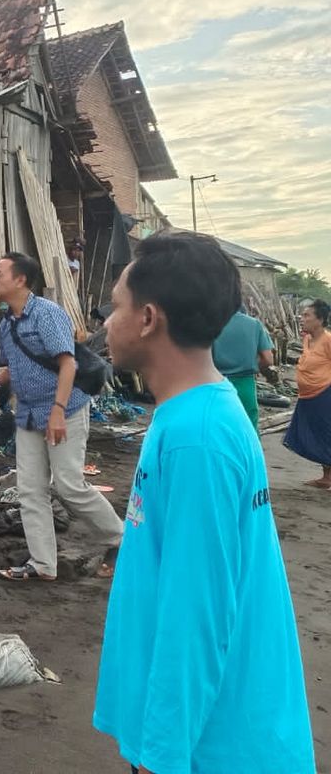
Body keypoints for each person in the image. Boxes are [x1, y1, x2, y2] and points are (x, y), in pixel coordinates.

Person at [93, 230, 314, 773]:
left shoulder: (198, 437)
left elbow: (198, 610)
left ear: (149, 318)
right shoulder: (191, 412)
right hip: (203, 730)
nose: (106, 323)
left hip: (213, 747)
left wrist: (162, 757)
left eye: (116, 307)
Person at [0, 252, 123, 582]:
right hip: (28, 414)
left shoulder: (47, 314)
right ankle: (43, 564)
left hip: (65, 409)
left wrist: (58, 412)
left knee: (69, 485)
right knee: (30, 490)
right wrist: (1, 378)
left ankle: (121, 538)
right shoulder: (6, 325)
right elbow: (18, 364)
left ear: (20, 280)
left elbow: (67, 363)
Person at [284, 299, 331, 489]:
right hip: (307, 396)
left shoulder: (328, 340)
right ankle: (327, 476)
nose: (301, 319)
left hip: (325, 394)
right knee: (317, 434)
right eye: (302, 315)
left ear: (319, 320)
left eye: (306, 315)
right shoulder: (306, 339)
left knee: (327, 434)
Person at [211, 304, 276, 427]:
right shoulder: (255, 324)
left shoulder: (212, 324)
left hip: (217, 384)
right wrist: (255, 366)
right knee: (248, 427)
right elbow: (268, 359)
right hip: (245, 385)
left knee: (220, 428)